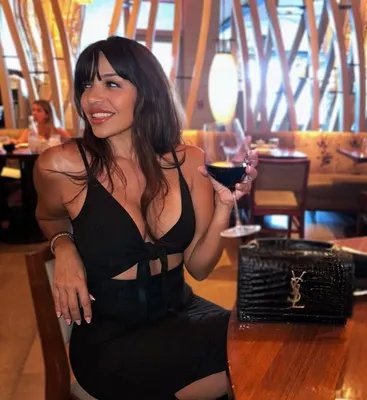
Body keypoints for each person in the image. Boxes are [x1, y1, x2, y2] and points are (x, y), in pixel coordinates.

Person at [34, 36, 257, 400]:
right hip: (111, 337)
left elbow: (199, 267)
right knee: (243, 367)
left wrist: (223, 207)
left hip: (183, 311)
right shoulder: (62, 165)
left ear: (147, 91)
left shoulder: (189, 161)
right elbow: (48, 218)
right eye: (86, 85)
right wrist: (64, 247)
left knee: (258, 339)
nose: (93, 98)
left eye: (111, 84)